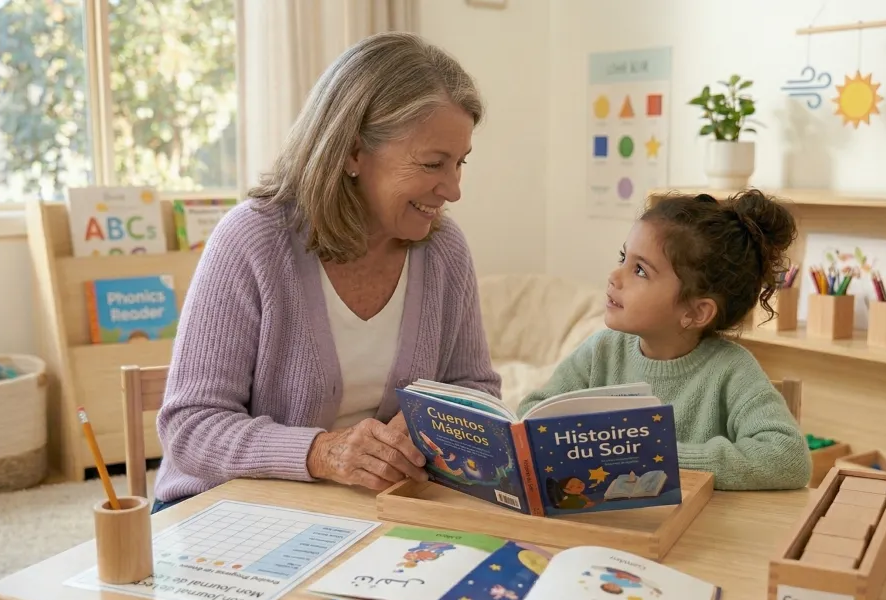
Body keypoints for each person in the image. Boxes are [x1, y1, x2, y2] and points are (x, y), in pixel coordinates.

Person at [151, 32, 501, 513]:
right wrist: (322, 453)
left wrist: (431, 424)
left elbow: (476, 388)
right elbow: (190, 427)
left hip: (366, 510)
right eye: (432, 164)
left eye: (459, 163)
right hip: (230, 509)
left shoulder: (444, 249)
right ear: (353, 152)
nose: (453, 189)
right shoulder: (252, 240)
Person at [517, 190, 811, 491]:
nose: (614, 276)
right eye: (623, 258)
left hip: (698, 519)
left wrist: (662, 456)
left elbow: (789, 458)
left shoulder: (732, 370)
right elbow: (531, 413)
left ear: (695, 312)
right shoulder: (601, 351)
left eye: (640, 270)